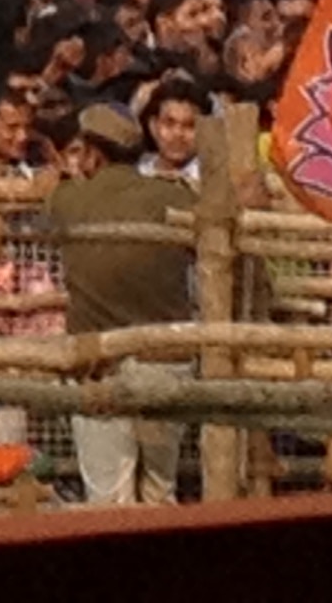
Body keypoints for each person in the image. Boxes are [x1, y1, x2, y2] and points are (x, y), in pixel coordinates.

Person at [41, 102, 192, 507]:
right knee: (161, 490)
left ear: (92, 153)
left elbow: (45, 201)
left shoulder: (68, 199)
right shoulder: (171, 196)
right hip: (167, 359)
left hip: (98, 364)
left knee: (108, 498)